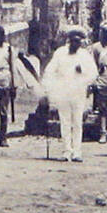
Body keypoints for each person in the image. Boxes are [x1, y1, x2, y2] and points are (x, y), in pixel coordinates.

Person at [41, 26, 97, 163]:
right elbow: (49, 71)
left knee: (77, 122)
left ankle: (77, 152)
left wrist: (82, 71)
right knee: (65, 121)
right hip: (63, 92)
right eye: (73, 41)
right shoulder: (60, 53)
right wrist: (48, 88)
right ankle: (66, 150)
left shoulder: (84, 55)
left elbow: (93, 73)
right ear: (69, 41)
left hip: (78, 92)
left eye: (78, 42)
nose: (75, 44)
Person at [90, 25, 107, 143]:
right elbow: (93, 64)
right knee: (102, 108)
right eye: (106, 33)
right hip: (101, 77)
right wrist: (95, 79)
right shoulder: (96, 47)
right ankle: (103, 133)